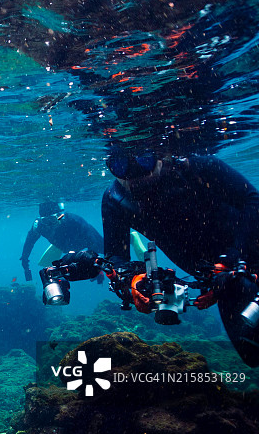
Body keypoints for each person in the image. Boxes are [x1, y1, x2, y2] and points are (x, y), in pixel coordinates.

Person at [100, 144, 259, 366]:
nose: (135, 175)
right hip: (220, 281)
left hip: (244, 260)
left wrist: (233, 258)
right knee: (251, 352)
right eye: (119, 164)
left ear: (162, 155)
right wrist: (132, 282)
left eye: (144, 159)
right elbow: (115, 258)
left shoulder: (198, 167)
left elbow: (253, 200)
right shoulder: (115, 201)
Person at [20, 200, 104, 282]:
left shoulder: (73, 220)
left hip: (84, 242)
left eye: (52, 220)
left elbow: (92, 239)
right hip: (64, 245)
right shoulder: (39, 226)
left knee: (109, 251)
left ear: (60, 217)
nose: (50, 225)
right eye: (46, 221)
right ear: (41, 220)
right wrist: (25, 262)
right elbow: (29, 243)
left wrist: (97, 267)